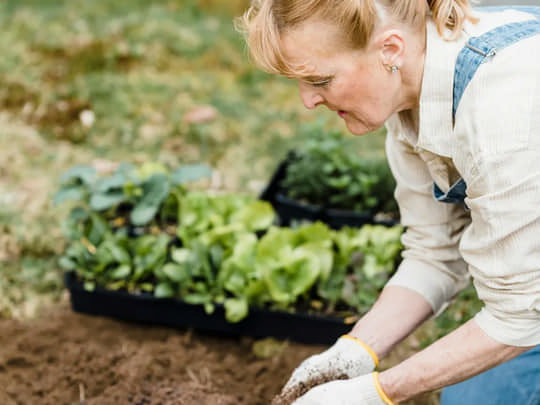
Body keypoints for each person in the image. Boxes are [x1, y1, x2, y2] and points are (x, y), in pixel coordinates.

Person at [237, 1, 540, 404]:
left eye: (320, 80)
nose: (307, 101)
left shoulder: (503, 107)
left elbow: (519, 314)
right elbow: (434, 254)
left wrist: (377, 392)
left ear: (390, 50)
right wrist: (355, 351)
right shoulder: (412, 95)